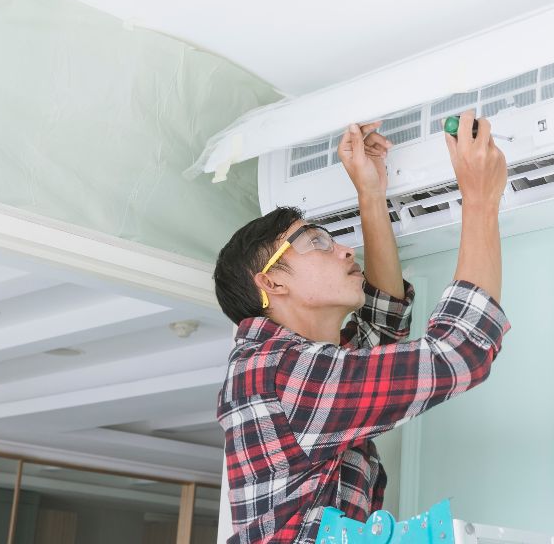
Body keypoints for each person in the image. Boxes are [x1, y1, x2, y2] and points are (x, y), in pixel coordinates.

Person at [213, 111, 510, 543]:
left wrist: (370, 193)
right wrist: (481, 197)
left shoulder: (278, 368)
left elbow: (381, 330)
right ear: (272, 281)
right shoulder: (281, 375)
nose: (345, 251)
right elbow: (461, 350)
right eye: (317, 242)